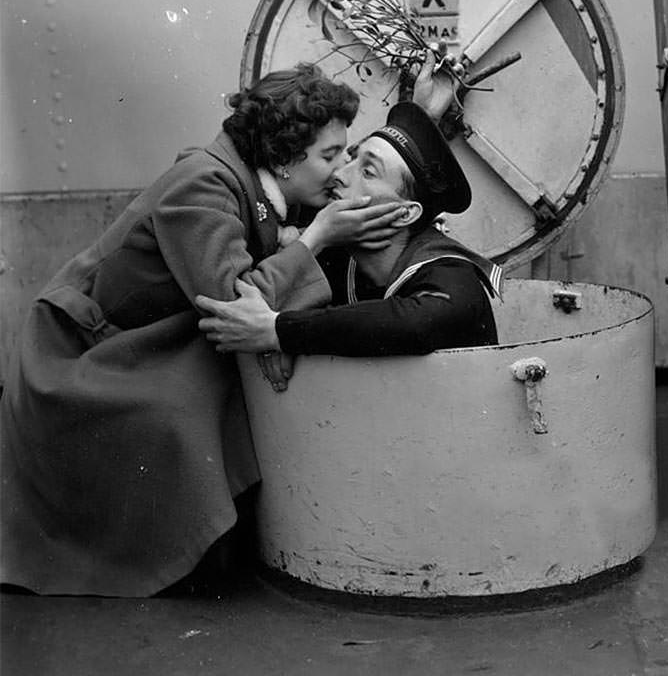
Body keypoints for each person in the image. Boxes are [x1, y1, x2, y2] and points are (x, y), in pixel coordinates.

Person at [0, 62, 422, 597]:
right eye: (329, 156)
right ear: (281, 158)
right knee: (186, 405)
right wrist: (315, 237)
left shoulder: (240, 179)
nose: (340, 170)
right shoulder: (203, 183)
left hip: (141, 340)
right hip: (81, 355)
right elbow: (233, 306)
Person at [195, 99, 502, 377]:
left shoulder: (452, 275)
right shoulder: (342, 257)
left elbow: (413, 323)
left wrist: (277, 332)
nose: (340, 174)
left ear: (405, 213)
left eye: (367, 172)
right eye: (352, 157)